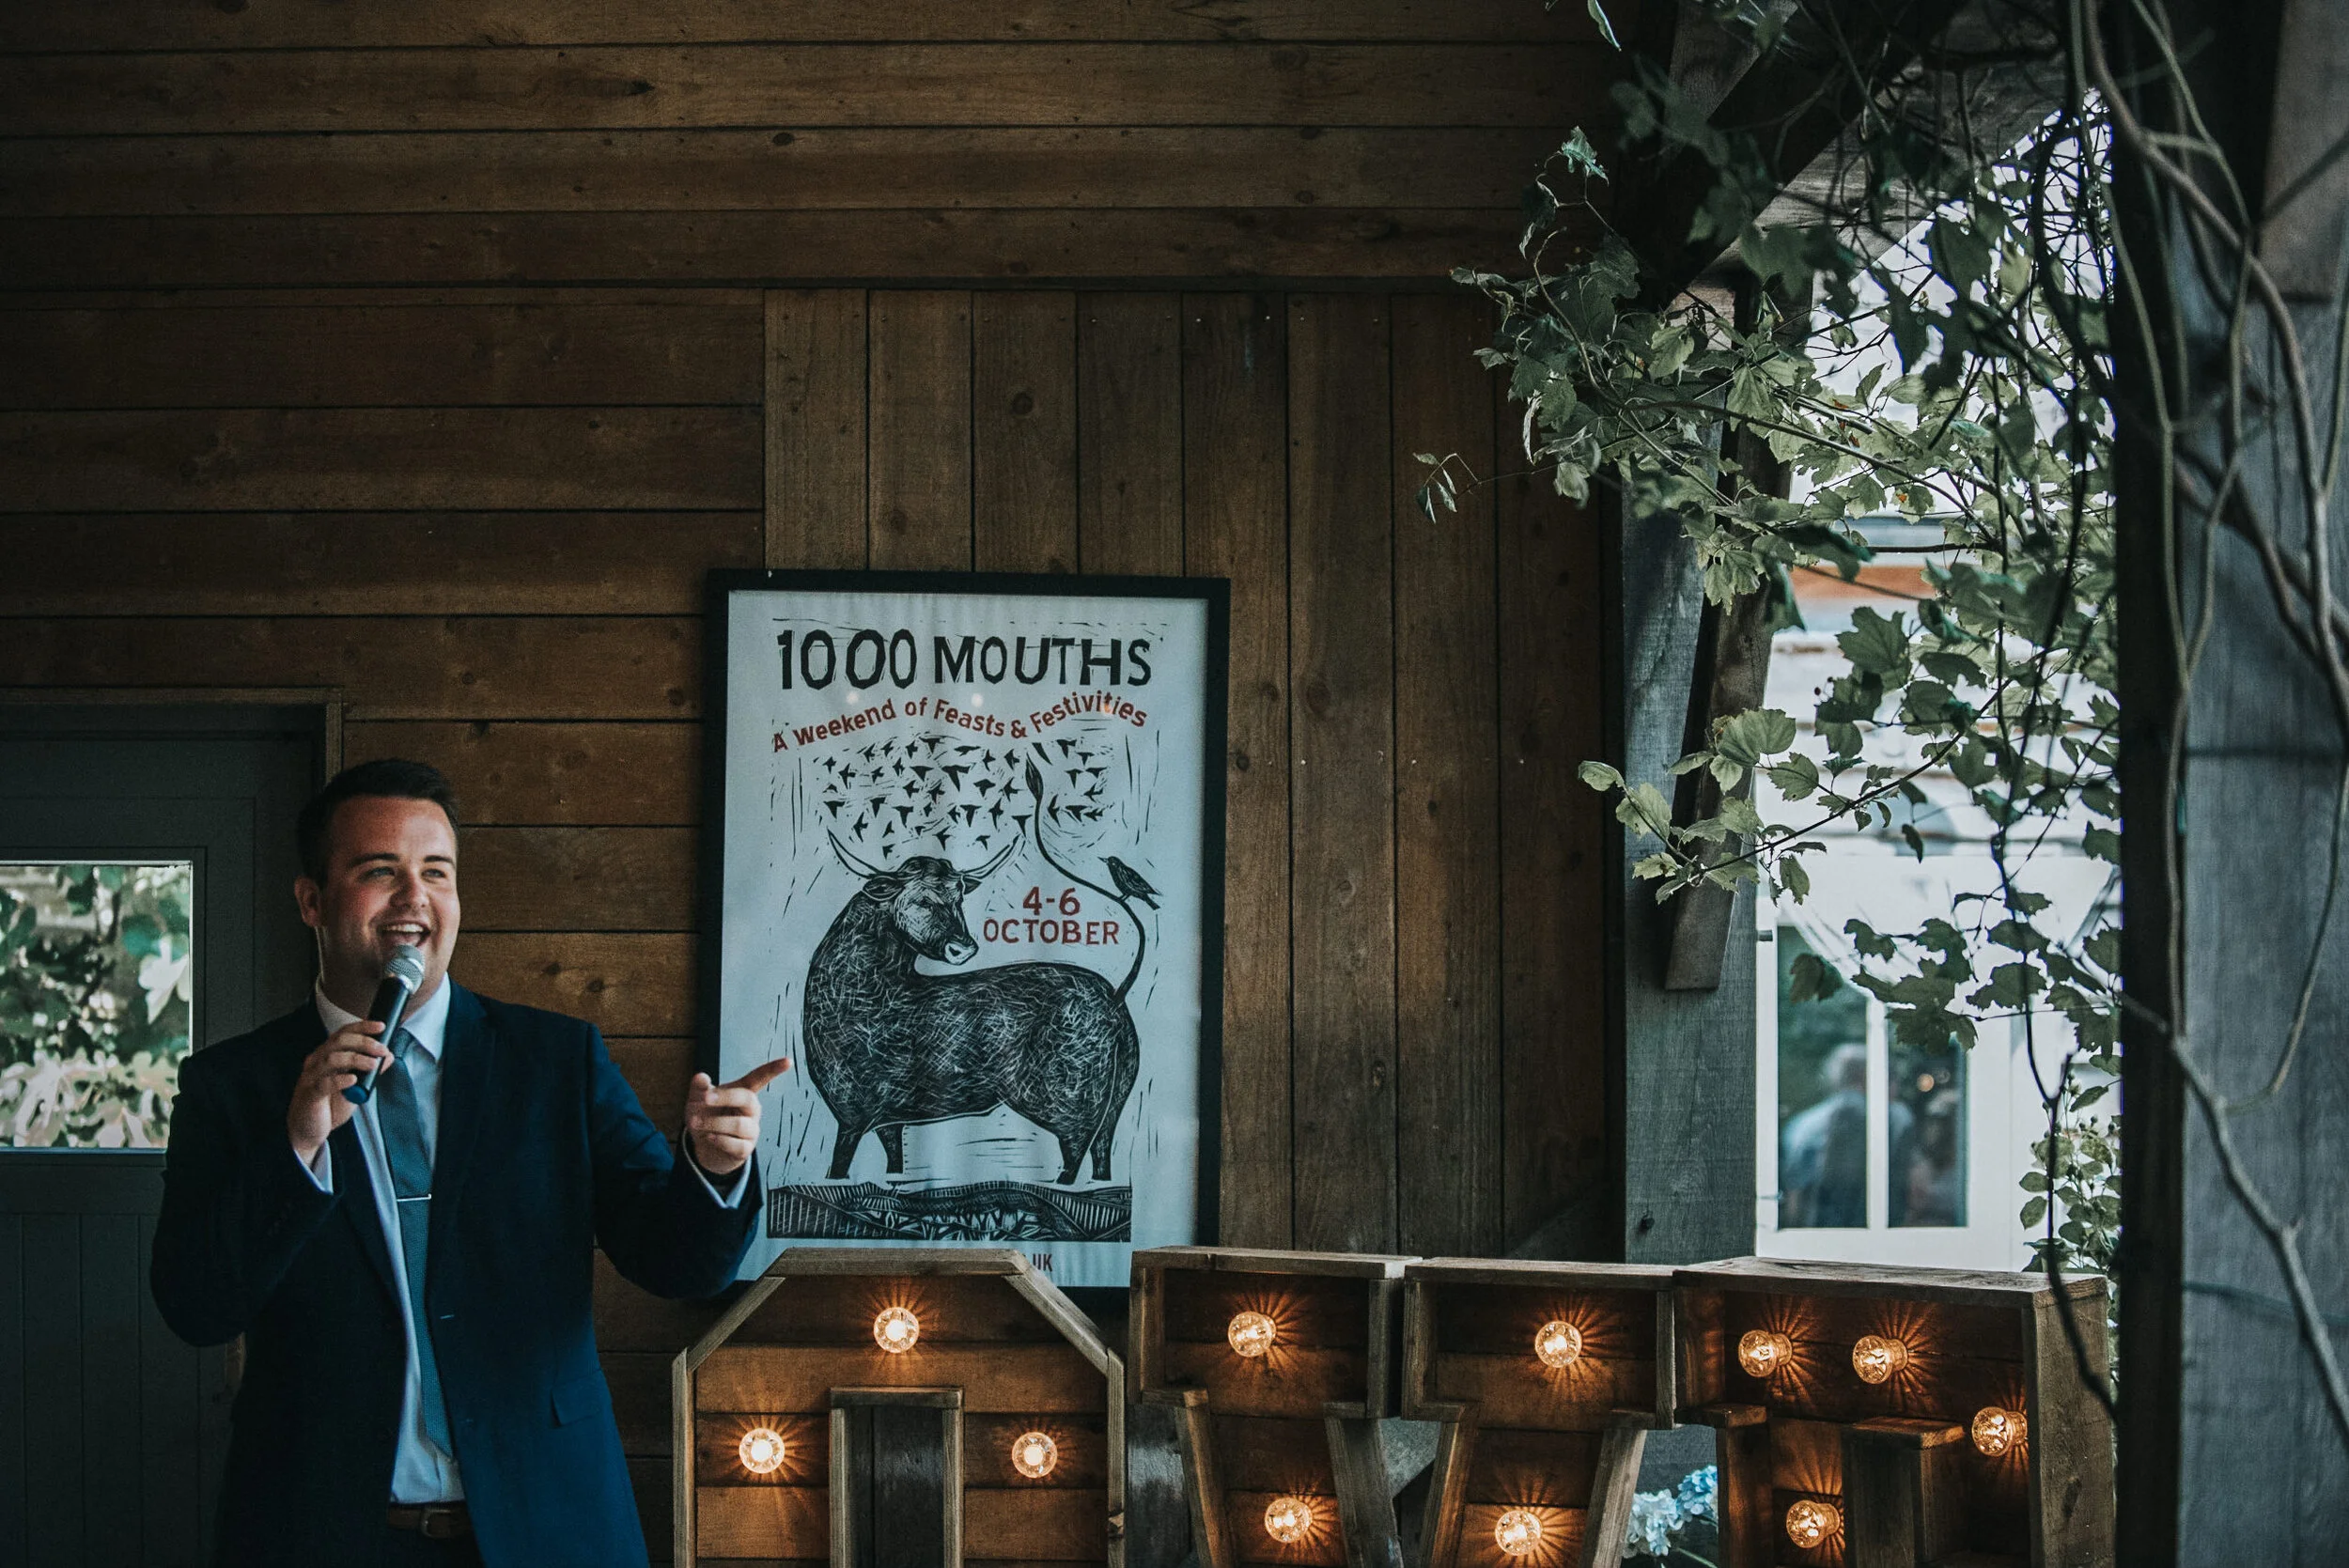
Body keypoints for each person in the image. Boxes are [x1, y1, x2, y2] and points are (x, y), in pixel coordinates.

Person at [150, 759, 787, 1567]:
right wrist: (299, 1142)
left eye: (437, 873)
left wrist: (712, 1166)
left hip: (547, 1524)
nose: (415, 899)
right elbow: (194, 1306)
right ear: (311, 899)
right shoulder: (232, 1085)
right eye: (380, 871)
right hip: (317, 1529)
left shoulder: (557, 1060)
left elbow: (679, 1262)